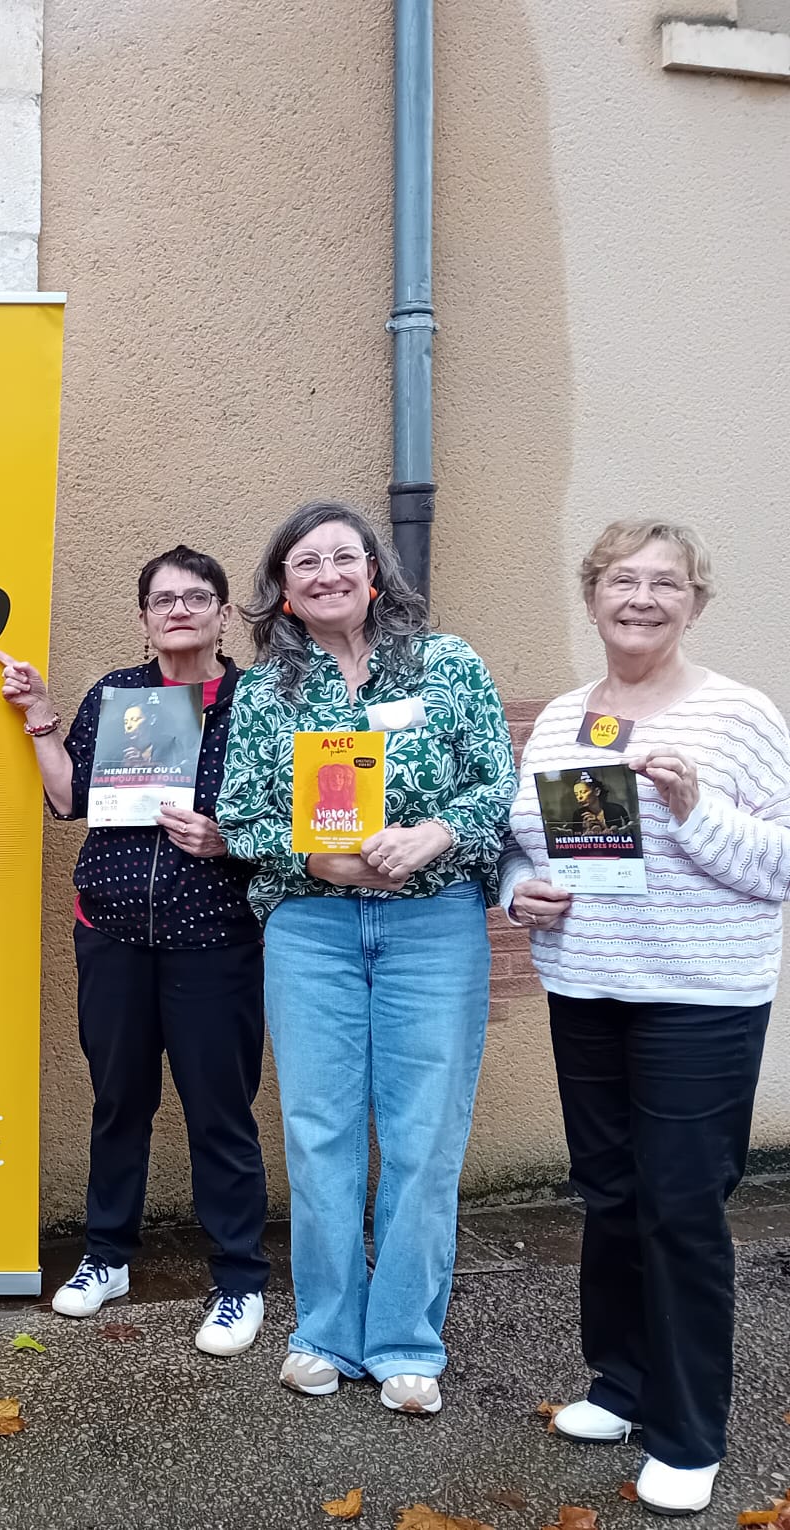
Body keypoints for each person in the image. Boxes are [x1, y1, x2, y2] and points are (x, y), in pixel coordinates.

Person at [500, 520, 790, 1516]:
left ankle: (688, 1431)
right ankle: (621, 1385)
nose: (642, 598)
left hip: (698, 1000)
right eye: (622, 580)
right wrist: (521, 892)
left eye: (666, 583)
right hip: (588, 989)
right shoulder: (565, 718)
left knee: (681, 1210)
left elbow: (780, 865)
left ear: (695, 603)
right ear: (593, 596)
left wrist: (697, 808)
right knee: (611, 1196)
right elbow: (524, 840)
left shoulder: (739, 715)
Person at [214, 501, 514, 1415]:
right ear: (284, 590)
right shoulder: (266, 692)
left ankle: (406, 1341)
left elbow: (494, 782)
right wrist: (316, 860)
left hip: (432, 924)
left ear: (374, 572)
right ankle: (324, 1332)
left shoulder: (446, 663)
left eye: (344, 557)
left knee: (424, 1138)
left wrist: (433, 835)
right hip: (313, 928)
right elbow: (241, 815)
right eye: (305, 563)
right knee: (319, 1135)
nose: (328, 574)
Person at [0, 545, 270, 1358]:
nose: (179, 610)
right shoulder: (118, 695)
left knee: (220, 1111)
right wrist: (41, 715)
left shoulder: (258, 703)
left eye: (195, 597)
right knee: (118, 1102)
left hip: (213, 937)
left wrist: (228, 839)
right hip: (111, 933)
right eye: (162, 600)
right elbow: (68, 797)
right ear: (144, 618)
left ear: (223, 613)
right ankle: (107, 1256)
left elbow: (293, 811)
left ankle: (239, 1278)